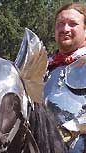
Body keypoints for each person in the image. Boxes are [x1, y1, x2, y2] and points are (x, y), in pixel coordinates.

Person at [44, 2, 86, 152]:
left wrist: (74, 127)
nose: (65, 29)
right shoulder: (42, 67)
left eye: (73, 24)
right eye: (60, 24)